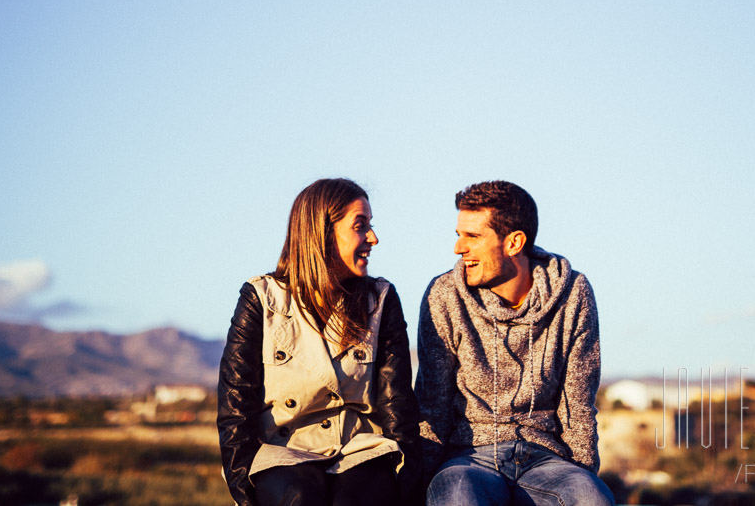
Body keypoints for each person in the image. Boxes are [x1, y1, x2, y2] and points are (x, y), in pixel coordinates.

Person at [218, 178, 420, 506]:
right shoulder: (261, 299)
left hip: (360, 450)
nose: (373, 238)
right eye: (360, 226)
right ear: (323, 232)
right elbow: (235, 408)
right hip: (283, 453)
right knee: (298, 497)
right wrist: (245, 494)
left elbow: (396, 403)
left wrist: (408, 482)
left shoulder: (379, 300)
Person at [416, 180, 613, 506]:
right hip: (468, 459)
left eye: (473, 236)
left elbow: (578, 407)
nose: (458, 248)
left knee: (591, 498)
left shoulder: (573, 293)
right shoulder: (445, 295)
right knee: (457, 496)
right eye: (458, 235)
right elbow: (431, 406)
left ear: (514, 242)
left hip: (547, 460)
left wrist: (584, 476)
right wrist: (421, 484)